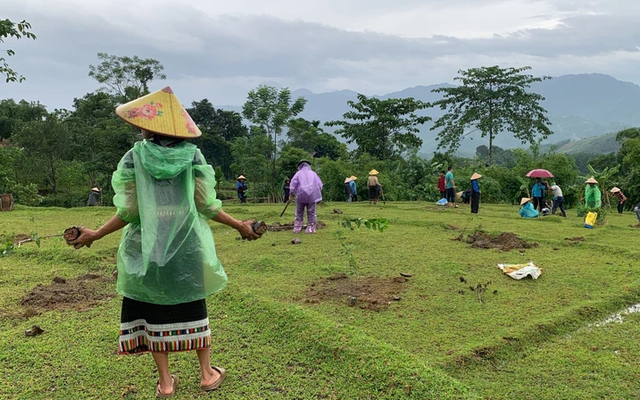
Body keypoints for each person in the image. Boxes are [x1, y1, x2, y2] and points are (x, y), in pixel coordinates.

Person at [68, 87, 262, 397]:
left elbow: (129, 211)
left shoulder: (135, 156)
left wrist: (96, 234)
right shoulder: (193, 156)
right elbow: (206, 205)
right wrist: (240, 225)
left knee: (152, 306)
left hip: (146, 246)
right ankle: (207, 374)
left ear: (150, 126)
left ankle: (166, 381)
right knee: (192, 300)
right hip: (187, 246)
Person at [290, 159, 323, 233]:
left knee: (299, 212)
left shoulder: (298, 174)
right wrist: (317, 196)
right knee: (311, 212)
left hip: (301, 196)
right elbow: (320, 185)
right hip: (312, 196)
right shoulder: (313, 174)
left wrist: (291, 194)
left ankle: (297, 228)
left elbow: (293, 184)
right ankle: (311, 229)